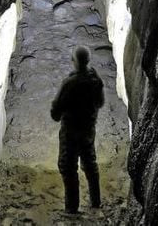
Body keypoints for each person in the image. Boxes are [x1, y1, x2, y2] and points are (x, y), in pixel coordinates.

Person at [51, 45, 104, 214]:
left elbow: (55, 112)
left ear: (73, 61)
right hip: (88, 130)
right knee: (90, 164)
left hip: (70, 133)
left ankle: (72, 207)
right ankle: (96, 201)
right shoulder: (96, 81)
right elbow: (100, 103)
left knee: (68, 167)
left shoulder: (69, 83)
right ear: (88, 61)